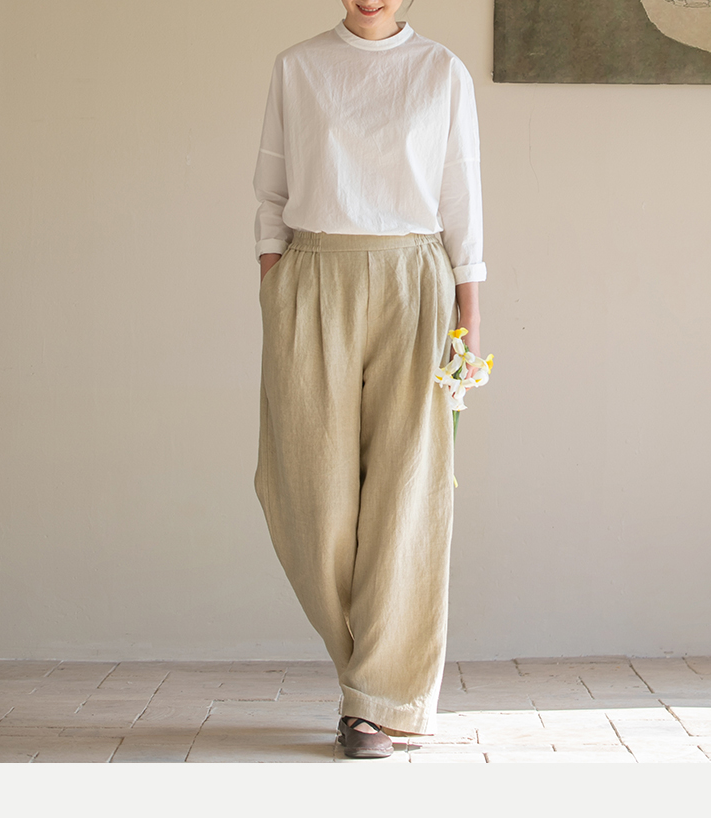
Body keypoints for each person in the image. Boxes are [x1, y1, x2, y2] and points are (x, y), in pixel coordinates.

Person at [252, 0, 486, 759]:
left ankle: (374, 703)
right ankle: (375, 682)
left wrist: (468, 317)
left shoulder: (440, 71)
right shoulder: (299, 67)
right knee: (306, 492)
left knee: (407, 491)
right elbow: (272, 189)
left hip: (415, 279)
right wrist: (275, 281)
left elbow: (461, 195)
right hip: (313, 275)